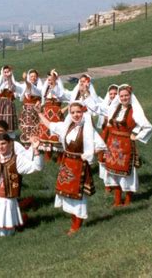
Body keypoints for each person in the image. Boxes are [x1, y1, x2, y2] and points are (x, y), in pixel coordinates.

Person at [37, 101, 103, 235]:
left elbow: (101, 146)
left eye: (78, 112)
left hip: (80, 165)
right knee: (67, 195)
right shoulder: (66, 126)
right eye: (72, 112)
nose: (76, 115)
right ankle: (74, 221)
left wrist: (89, 154)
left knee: (78, 196)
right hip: (67, 164)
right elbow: (49, 124)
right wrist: (39, 112)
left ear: (83, 112)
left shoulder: (88, 129)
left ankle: (77, 225)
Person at [103, 84, 152, 207]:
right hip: (112, 145)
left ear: (130, 96)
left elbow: (148, 127)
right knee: (113, 173)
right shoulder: (115, 108)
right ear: (118, 97)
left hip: (125, 146)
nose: (124, 98)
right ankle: (117, 200)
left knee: (127, 173)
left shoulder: (134, 110)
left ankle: (128, 200)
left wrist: (137, 135)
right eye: (122, 96)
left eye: (126, 95)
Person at [0, 65, 28, 137]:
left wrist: (10, 78)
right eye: (5, 72)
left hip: (9, 103)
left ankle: (10, 135)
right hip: (1, 104)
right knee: (0, 118)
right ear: (2, 73)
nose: (6, 73)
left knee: (8, 118)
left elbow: (12, 88)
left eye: (8, 72)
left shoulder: (14, 82)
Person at [38, 69, 69, 160]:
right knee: (46, 132)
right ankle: (48, 155)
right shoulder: (46, 89)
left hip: (56, 114)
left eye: (51, 79)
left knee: (57, 133)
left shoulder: (59, 89)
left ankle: (60, 157)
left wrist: (65, 108)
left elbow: (69, 100)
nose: (49, 81)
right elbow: (43, 101)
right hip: (47, 113)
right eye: (48, 79)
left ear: (55, 79)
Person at [96, 84, 119, 187]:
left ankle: (115, 181)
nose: (113, 96)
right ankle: (106, 181)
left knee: (114, 157)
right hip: (106, 133)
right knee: (104, 156)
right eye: (111, 94)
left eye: (115, 93)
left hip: (116, 135)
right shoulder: (105, 105)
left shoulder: (120, 106)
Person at [18, 69, 43, 146]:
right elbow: (28, 86)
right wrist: (25, 80)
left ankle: (36, 144)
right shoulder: (25, 87)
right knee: (26, 127)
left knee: (36, 127)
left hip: (35, 112)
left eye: (35, 76)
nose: (33, 78)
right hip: (27, 112)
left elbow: (41, 95)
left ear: (37, 77)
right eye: (31, 76)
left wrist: (25, 80)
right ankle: (27, 144)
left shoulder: (39, 87)